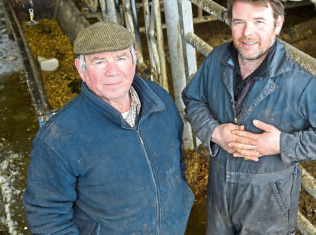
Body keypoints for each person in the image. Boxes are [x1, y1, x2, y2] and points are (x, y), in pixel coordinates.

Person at [181, 0, 316, 234]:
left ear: (278, 24)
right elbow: (193, 99)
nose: (247, 33)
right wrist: (214, 132)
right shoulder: (218, 59)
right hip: (219, 191)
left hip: (268, 202)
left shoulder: (299, 81)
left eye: (259, 22)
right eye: (239, 22)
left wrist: (281, 145)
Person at [22, 21, 194, 234]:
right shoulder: (59, 138)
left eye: (121, 58)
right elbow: (47, 216)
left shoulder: (160, 100)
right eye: (99, 62)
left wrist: (181, 200)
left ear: (134, 60)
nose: (113, 72)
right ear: (81, 69)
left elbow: (177, 160)